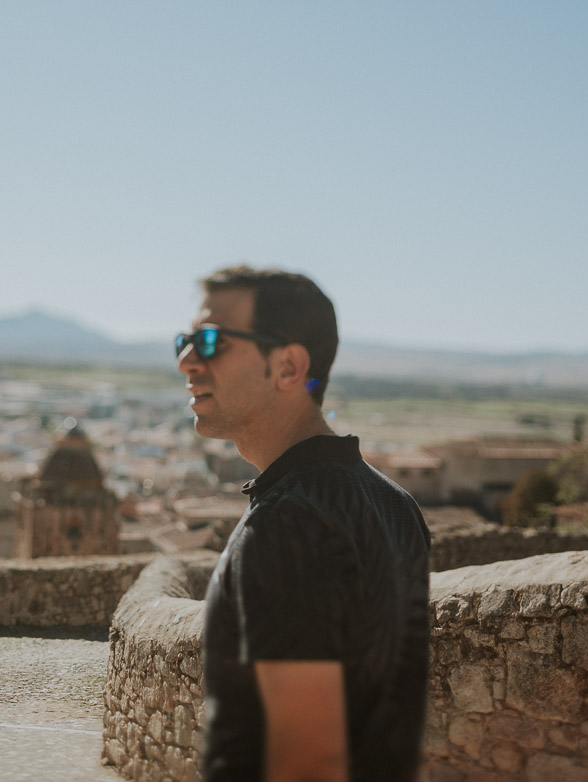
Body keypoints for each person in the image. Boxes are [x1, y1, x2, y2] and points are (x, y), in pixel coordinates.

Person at [176, 266, 432, 782]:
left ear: (289, 367)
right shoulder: (393, 503)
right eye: (185, 340)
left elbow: (307, 765)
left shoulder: (286, 526)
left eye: (210, 341)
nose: (186, 360)